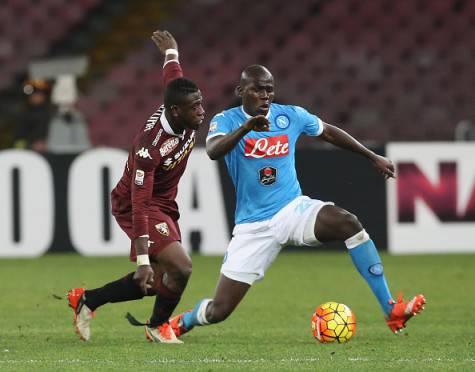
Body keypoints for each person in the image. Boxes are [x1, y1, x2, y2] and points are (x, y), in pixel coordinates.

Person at [168, 64, 426, 338]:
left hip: (292, 210)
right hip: (253, 227)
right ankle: (182, 322)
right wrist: (247, 128)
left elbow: (328, 132)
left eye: (269, 89)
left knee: (348, 223)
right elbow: (213, 151)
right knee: (218, 311)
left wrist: (372, 156)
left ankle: (391, 309)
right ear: (241, 90)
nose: (265, 95)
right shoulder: (226, 120)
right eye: (257, 89)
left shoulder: (290, 116)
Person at [67, 30, 205, 344]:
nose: (201, 111)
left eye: (201, 103)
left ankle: (88, 299)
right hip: (136, 203)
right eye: (194, 107)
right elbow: (139, 202)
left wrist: (172, 52)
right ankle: (157, 327)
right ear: (175, 112)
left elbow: (174, 77)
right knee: (181, 268)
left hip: (164, 202)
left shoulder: (180, 105)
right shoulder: (150, 147)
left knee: (159, 281)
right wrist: (142, 259)